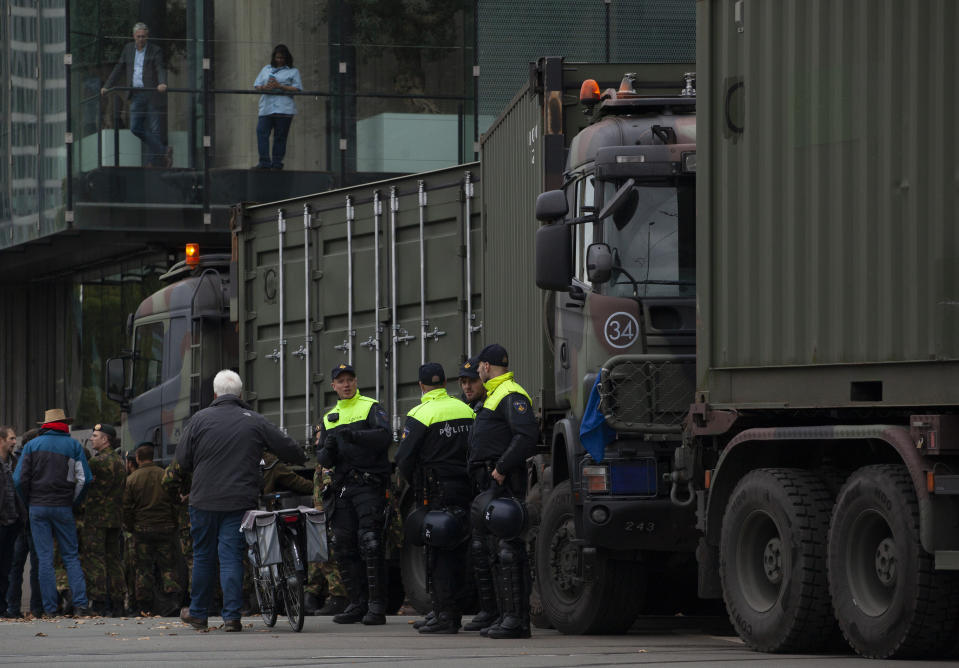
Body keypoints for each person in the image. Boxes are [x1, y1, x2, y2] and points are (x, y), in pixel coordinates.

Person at [174, 369, 305, 632]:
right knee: (231, 556)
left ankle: (198, 613)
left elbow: (182, 460)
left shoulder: (198, 420)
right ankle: (232, 616)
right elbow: (289, 448)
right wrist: (299, 457)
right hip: (239, 501)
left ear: (215, 394)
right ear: (240, 394)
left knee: (203, 556)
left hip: (203, 500)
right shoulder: (254, 421)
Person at [395, 363, 475, 634]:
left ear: (421, 386)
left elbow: (403, 459)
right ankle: (442, 611)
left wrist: (416, 484)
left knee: (438, 554)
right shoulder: (466, 409)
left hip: (435, 493)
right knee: (461, 552)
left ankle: (445, 616)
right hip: (465, 489)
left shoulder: (419, 414)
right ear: (444, 383)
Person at [467, 344, 538, 639]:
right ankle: (506, 617)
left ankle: (516, 622)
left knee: (510, 550)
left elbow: (526, 436)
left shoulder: (510, 393)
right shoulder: (495, 394)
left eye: (479, 368)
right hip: (492, 483)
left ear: (485, 366)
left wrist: (502, 467)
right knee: (497, 551)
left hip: (504, 482)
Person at [315, 363, 392, 625]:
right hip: (343, 487)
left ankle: (376, 606)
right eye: (341, 381)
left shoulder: (370, 407)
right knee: (343, 545)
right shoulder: (329, 417)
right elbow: (324, 459)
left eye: (350, 380)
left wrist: (354, 436)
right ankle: (357, 603)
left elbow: (385, 436)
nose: (346, 384)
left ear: (356, 382)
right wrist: (327, 447)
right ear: (333, 386)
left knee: (370, 542)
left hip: (368, 484)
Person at [13, 408, 92, 617]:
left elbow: (19, 480)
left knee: (44, 558)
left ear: (45, 425)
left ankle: (49, 610)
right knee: (71, 556)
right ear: (64, 424)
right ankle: (81, 605)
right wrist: (73, 501)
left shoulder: (31, 445)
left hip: (38, 507)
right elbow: (85, 479)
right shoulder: (74, 445)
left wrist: (29, 501)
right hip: (63, 507)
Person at [123, 443, 182, 616]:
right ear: (153, 457)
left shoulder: (132, 479)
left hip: (142, 529)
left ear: (138, 458)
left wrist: (130, 526)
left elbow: (126, 507)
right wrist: (173, 522)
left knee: (143, 568)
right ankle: (172, 601)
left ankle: (144, 605)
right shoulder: (164, 475)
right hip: (165, 527)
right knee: (168, 566)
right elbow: (174, 501)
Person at [101, 22, 171, 167]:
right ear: (134, 36)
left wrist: (162, 83)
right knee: (135, 128)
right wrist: (107, 86)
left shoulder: (155, 50)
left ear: (147, 37)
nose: (141, 39)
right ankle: (164, 151)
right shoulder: (128, 49)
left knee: (155, 128)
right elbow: (119, 67)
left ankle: (152, 162)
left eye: (143, 37)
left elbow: (159, 67)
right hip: (136, 94)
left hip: (152, 93)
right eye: (138, 36)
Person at [79, 423, 126, 616]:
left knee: (95, 559)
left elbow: (84, 485)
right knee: (114, 560)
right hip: (114, 518)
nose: (91, 439)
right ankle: (117, 602)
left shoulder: (96, 463)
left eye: (95, 436)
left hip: (96, 518)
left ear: (105, 439)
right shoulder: (120, 461)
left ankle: (98, 602)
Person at [5, 429, 42, 618]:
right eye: (11, 438)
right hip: (20, 519)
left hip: (25, 518)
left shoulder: (17, 460)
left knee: (27, 564)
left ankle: (31, 607)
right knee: (16, 565)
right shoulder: (19, 460)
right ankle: (13, 607)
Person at [252, 44, 302, 170]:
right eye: (277, 57)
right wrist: (265, 87)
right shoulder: (266, 69)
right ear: (273, 57)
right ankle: (264, 162)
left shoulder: (293, 71)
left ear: (286, 58)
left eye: (282, 58)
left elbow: (297, 88)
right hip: (266, 108)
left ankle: (277, 163)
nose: (279, 60)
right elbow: (257, 85)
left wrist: (280, 86)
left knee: (280, 137)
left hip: (283, 109)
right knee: (261, 133)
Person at [0, 426, 22, 611]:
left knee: (6, 566)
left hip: (12, 522)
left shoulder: (15, 462)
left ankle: (3, 606)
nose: (14, 442)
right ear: (1, 441)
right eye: (11, 438)